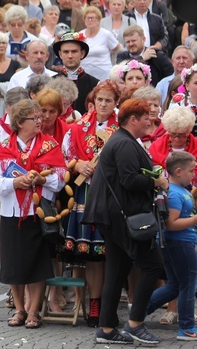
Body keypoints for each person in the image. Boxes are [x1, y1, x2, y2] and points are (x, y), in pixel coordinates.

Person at [83, 99, 169, 344]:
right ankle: (135, 323)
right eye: (146, 118)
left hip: (112, 215)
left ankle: (107, 328)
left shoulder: (124, 140)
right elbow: (130, 181)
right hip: (120, 216)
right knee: (153, 264)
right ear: (133, 120)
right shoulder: (125, 143)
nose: (150, 122)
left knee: (117, 270)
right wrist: (157, 182)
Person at [0, 99, 66, 329]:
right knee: (13, 263)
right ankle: (19, 308)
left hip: (38, 212)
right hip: (12, 212)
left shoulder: (49, 145)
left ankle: (34, 311)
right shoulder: (4, 146)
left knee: (37, 263)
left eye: (40, 117)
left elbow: (60, 179)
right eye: (35, 118)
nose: (40, 121)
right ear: (20, 122)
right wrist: (15, 182)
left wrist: (42, 179)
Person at [60, 80, 120, 327]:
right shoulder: (77, 128)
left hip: (113, 194)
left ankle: (110, 303)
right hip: (86, 193)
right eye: (99, 100)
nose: (103, 104)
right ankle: (95, 303)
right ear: (92, 101)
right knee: (94, 254)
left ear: (116, 103)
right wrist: (77, 164)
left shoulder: (123, 127)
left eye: (108, 100)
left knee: (113, 253)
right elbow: (64, 157)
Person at [145, 150, 197, 341]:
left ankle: (141, 310)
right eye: (191, 171)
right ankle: (186, 327)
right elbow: (171, 224)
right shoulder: (175, 194)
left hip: (177, 243)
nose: (193, 174)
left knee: (175, 285)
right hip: (180, 243)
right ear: (178, 171)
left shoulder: (180, 190)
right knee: (189, 283)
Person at [53, 32, 99, 113]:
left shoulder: (95, 84)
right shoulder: (51, 82)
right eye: (66, 52)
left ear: (82, 53)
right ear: (60, 54)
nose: (70, 56)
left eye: (74, 51)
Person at [80, 6, 121, 82]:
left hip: (104, 76)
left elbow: (119, 49)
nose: (90, 20)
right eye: (88, 18)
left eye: (93, 18)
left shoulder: (106, 34)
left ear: (98, 20)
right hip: (85, 76)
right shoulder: (80, 35)